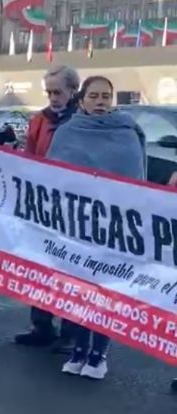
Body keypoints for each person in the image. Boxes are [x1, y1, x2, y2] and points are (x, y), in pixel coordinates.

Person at [48, 76, 146, 380]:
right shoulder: (67, 132)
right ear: (82, 100)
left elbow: (136, 178)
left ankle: (98, 354)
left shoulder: (127, 132)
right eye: (94, 96)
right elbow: (52, 176)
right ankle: (79, 348)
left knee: (106, 290)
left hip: (114, 226)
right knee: (80, 289)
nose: (101, 101)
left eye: (106, 96)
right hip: (77, 223)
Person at [15, 64, 81, 352]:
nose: (53, 98)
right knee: (41, 265)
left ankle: (70, 331)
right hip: (43, 203)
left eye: (58, 92)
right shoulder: (39, 120)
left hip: (74, 205)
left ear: (73, 91)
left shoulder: (83, 120)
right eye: (49, 92)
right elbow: (29, 155)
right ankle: (41, 324)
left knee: (71, 270)